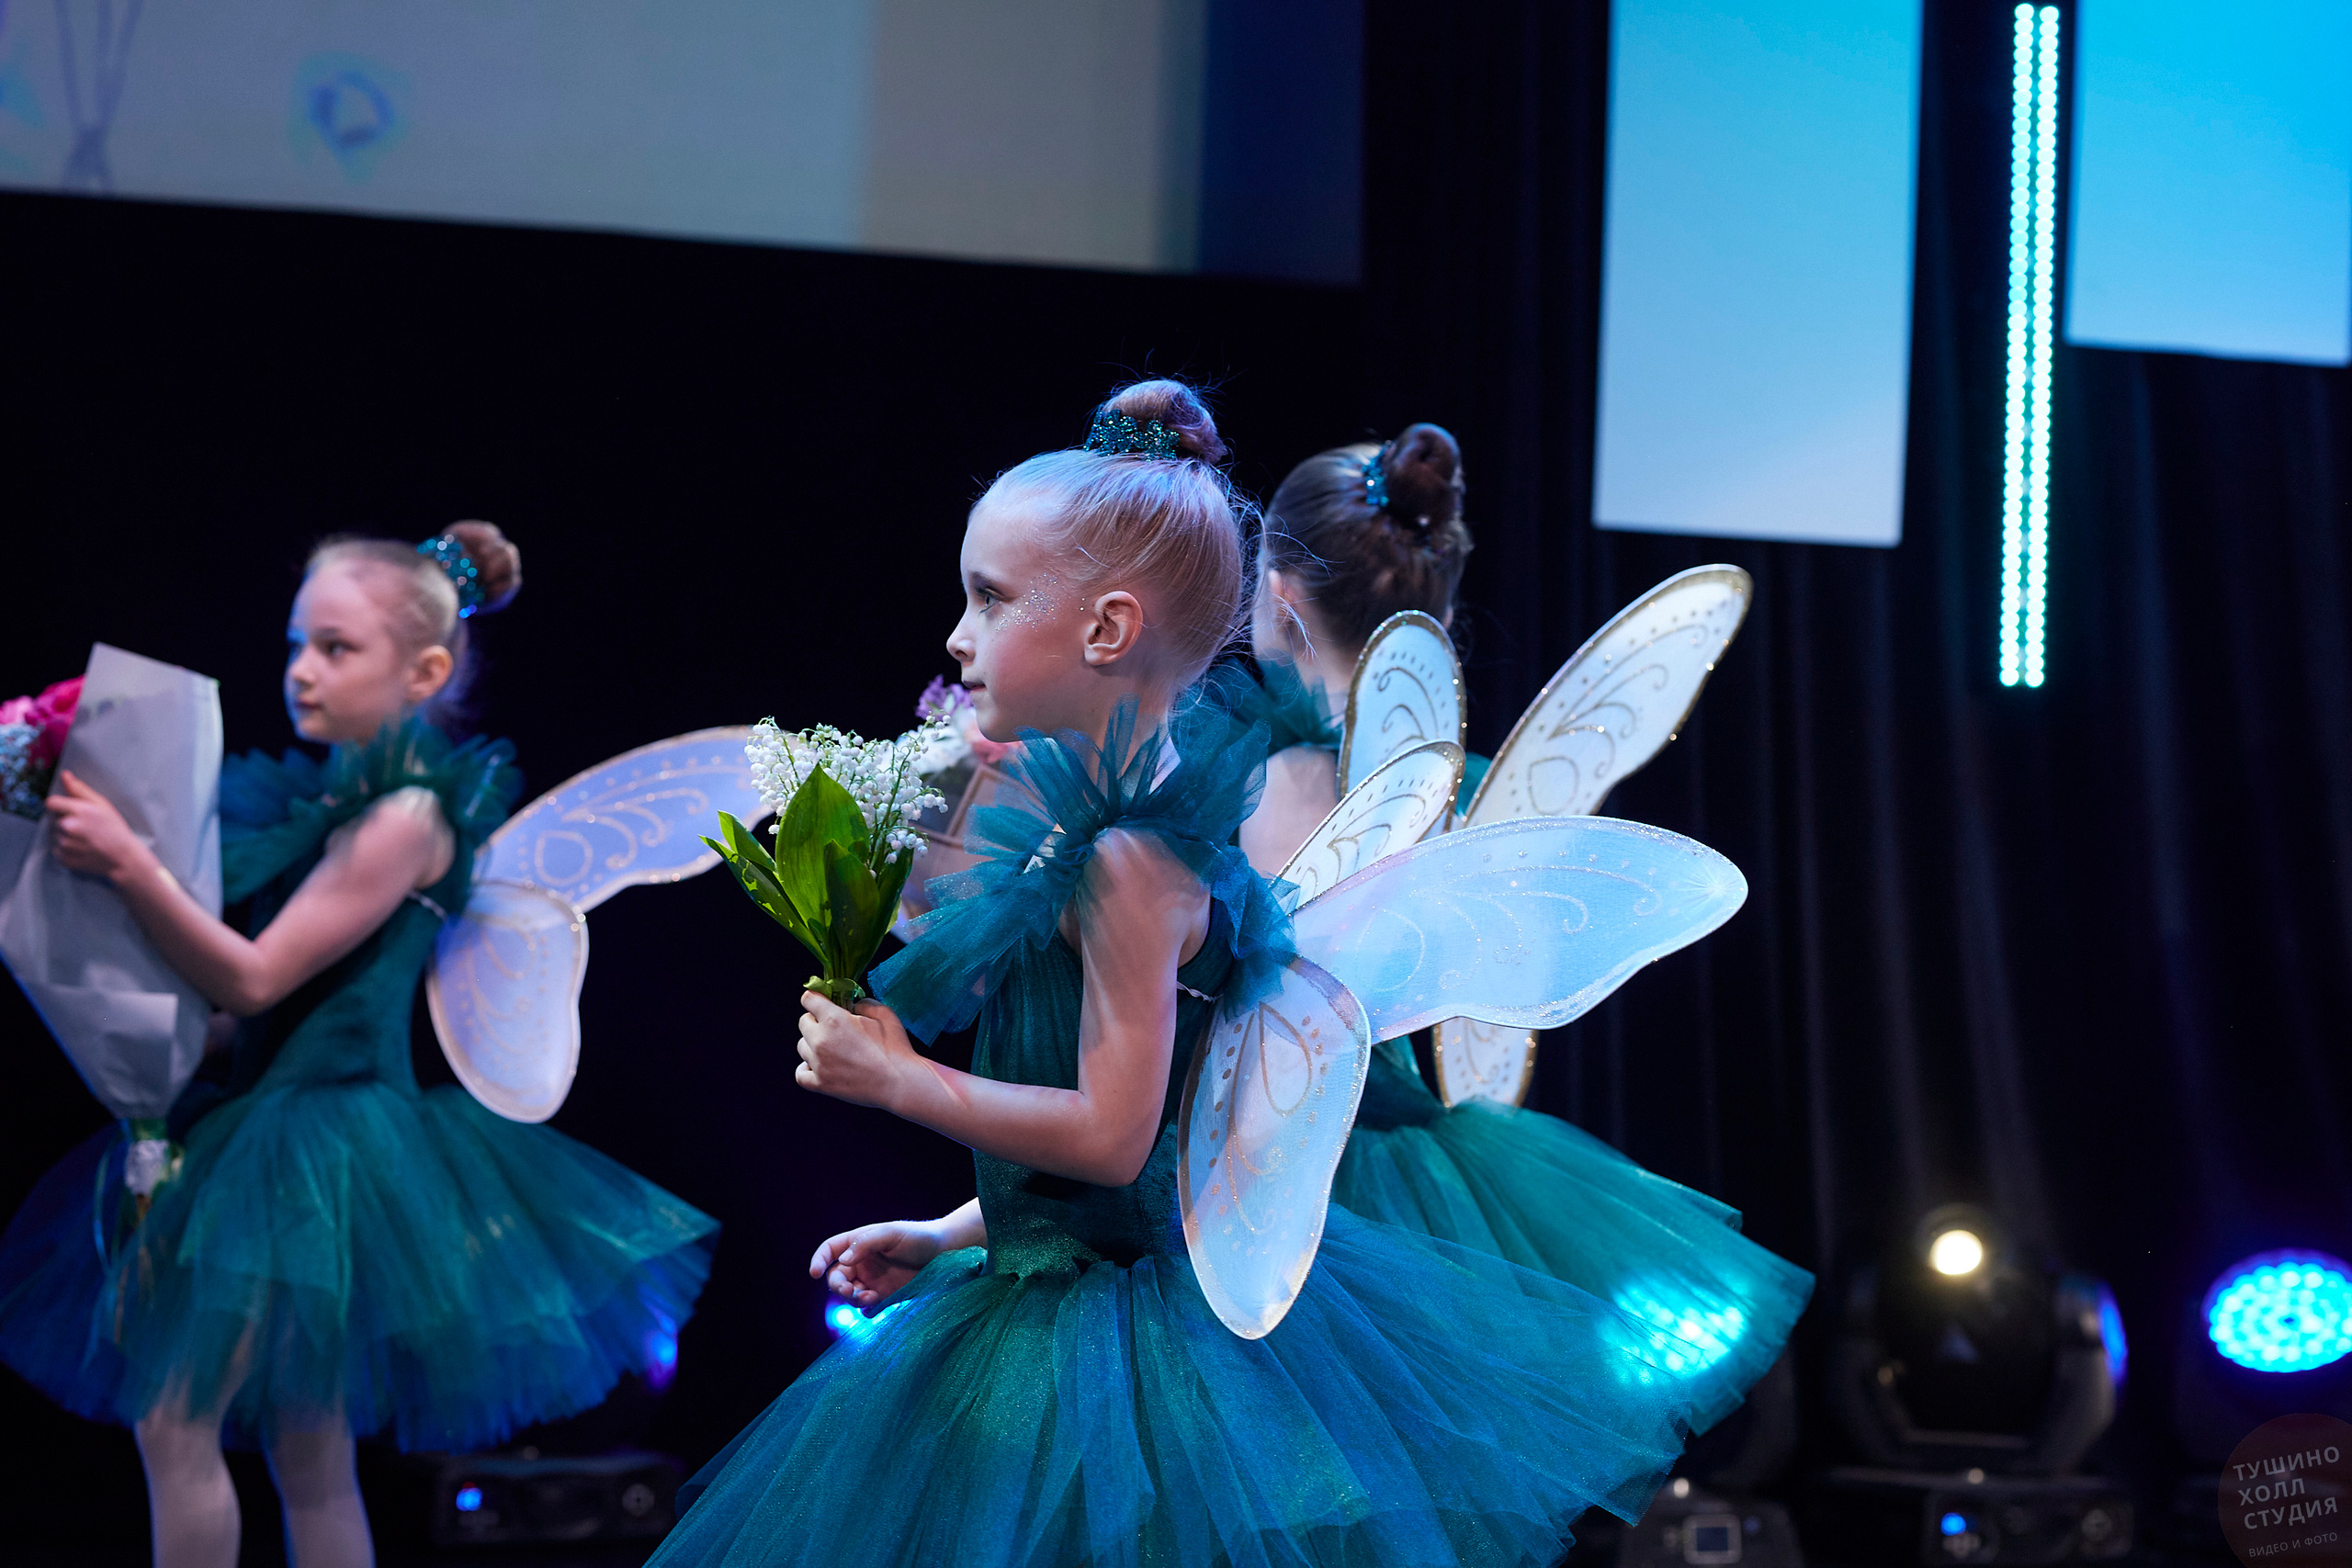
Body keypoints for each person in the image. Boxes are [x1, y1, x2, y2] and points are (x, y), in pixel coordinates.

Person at [652, 383, 1720, 1568]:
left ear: (1107, 630)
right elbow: (1163, 1144)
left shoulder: (1128, 862)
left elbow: (1112, 1138)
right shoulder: (1095, 839)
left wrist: (902, 1082)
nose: (958, 635)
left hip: (1117, 1349)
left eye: (990, 599)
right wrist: (958, 1228)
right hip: (1049, 1291)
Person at [0, 524, 718, 1568]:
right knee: (306, 1443)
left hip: (322, 1147)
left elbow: (252, 975)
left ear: (424, 671)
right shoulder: (327, 810)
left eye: (336, 648)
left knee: (178, 1418)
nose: (301, 670)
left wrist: (126, 867)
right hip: (269, 1126)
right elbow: (251, 1019)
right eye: (297, 643)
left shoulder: (408, 816)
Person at [1238, 427, 1813, 1435]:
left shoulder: (1209, 788)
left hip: (1247, 1187)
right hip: (1423, 1193)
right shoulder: (1472, 799)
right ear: (1441, 610)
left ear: (1277, 597)